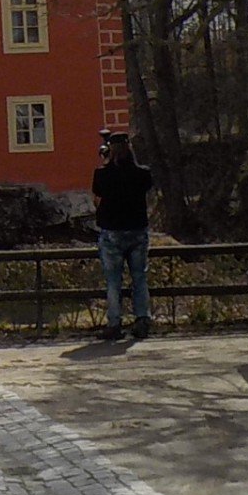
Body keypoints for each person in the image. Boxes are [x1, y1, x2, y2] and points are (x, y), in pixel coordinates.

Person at [91, 129, 154, 341]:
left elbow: (97, 198)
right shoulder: (143, 173)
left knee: (113, 281)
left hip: (112, 232)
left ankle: (115, 323)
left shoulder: (102, 174)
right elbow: (145, 185)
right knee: (139, 278)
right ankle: (142, 319)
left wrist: (107, 161)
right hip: (137, 230)